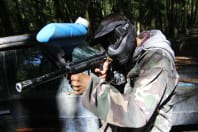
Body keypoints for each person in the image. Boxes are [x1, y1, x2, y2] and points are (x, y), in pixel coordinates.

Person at [69, 13, 179, 132]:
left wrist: (92, 88)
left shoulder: (158, 60)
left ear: (124, 33)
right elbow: (123, 88)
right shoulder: (133, 55)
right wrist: (107, 77)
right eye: (106, 44)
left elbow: (137, 115)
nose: (109, 49)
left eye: (112, 40)